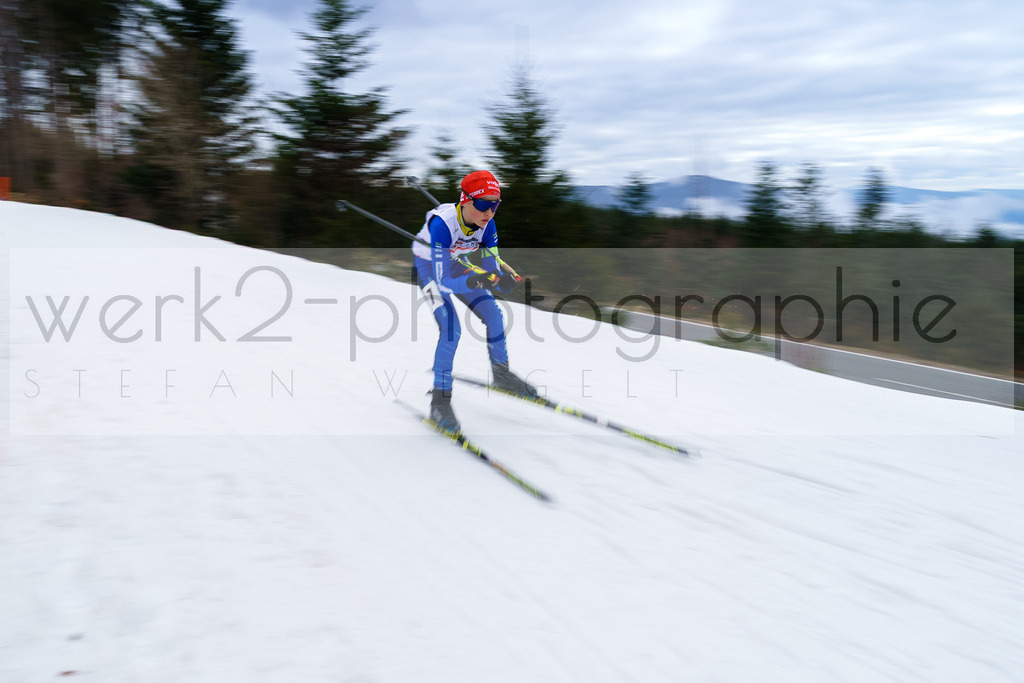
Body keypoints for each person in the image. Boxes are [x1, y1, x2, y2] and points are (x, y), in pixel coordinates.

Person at [412, 170, 536, 432]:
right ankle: (439, 401)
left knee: (494, 315)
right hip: (430, 269)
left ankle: (501, 374)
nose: (489, 212)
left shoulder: (488, 224)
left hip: (456, 264)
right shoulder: (441, 225)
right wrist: (478, 280)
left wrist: (500, 279)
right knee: (451, 330)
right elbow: (443, 279)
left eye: (495, 205)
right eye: (483, 204)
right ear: (465, 200)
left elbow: (490, 264)